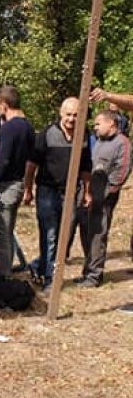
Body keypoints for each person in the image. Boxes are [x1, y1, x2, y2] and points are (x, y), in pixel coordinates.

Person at [23, 97, 91, 291]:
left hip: (72, 191)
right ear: (61, 114)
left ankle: (39, 266)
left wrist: (87, 192)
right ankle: (50, 280)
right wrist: (28, 189)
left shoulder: (83, 135)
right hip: (47, 191)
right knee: (51, 235)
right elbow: (31, 164)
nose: (71, 119)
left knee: (65, 236)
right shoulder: (47, 134)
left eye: (76, 115)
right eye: (68, 114)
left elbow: (86, 166)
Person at [0, 85, 35, 278]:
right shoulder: (28, 127)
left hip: (6, 187)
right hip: (19, 183)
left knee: (2, 235)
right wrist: (28, 186)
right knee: (8, 231)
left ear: (4, 104)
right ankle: (4, 273)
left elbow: (2, 161)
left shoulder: (9, 129)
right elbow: (31, 159)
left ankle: (2, 277)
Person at [77, 110, 132, 288]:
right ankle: (88, 270)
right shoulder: (99, 141)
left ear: (111, 124)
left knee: (98, 235)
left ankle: (94, 275)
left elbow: (122, 171)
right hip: (89, 195)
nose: (96, 127)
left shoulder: (122, 143)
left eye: (99, 123)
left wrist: (107, 193)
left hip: (104, 198)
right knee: (87, 233)